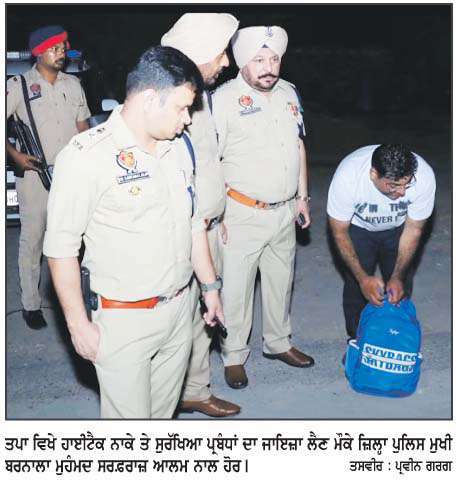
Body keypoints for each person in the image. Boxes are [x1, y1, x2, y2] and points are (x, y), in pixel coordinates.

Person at [43, 46, 224, 419]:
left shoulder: (178, 148)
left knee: (162, 417)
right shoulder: (86, 156)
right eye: (182, 108)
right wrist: (78, 325)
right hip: (124, 322)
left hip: (179, 311)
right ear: (149, 100)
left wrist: (209, 288)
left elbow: (193, 223)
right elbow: (61, 250)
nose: (187, 119)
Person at [212, 26, 315, 390]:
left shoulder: (289, 92)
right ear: (242, 62)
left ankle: (278, 343)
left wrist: (302, 196)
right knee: (235, 290)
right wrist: (216, 216)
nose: (268, 67)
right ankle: (234, 355)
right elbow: (209, 162)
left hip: (285, 211)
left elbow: (298, 145)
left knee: (280, 281)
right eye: (258, 60)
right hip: (241, 213)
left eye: (274, 59)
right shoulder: (222, 100)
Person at [161, 13, 241, 416]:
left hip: (207, 228)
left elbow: (208, 163)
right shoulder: (166, 100)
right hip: (180, 235)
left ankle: (195, 390)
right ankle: (162, 401)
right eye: (221, 52)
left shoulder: (202, 96)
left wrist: (218, 215)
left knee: (203, 317)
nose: (227, 62)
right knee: (172, 324)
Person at [6, 25, 91, 330]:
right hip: (35, 176)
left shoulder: (74, 84)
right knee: (33, 241)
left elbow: (84, 127)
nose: (61, 53)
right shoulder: (19, 85)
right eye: (54, 49)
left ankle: (76, 300)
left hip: (71, 176)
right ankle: (31, 304)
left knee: (75, 240)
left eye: (63, 47)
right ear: (38, 53)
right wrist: (14, 156)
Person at [327, 144, 436, 339]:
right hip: (358, 228)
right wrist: (363, 278)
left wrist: (397, 275)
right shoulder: (348, 177)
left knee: (400, 285)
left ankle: (395, 333)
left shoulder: (424, 177)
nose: (402, 192)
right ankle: (357, 338)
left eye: (406, 184)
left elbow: (414, 230)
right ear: (373, 174)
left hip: (399, 229)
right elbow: (339, 232)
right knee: (356, 286)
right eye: (393, 185)